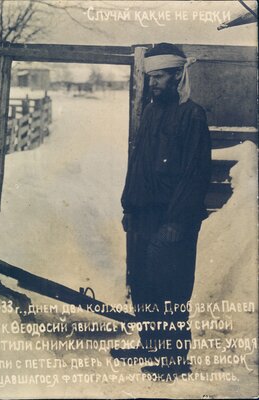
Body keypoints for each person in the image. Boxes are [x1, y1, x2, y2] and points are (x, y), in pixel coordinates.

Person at [120, 43, 211, 378]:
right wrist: (128, 205)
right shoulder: (151, 112)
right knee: (143, 284)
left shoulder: (192, 115)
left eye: (159, 77)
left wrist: (176, 221)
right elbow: (138, 165)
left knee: (171, 289)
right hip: (143, 216)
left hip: (173, 219)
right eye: (150, 77)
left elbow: (195, 173)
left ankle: (175, 360)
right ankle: (151, 345)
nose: (153, 83)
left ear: (177, 75)